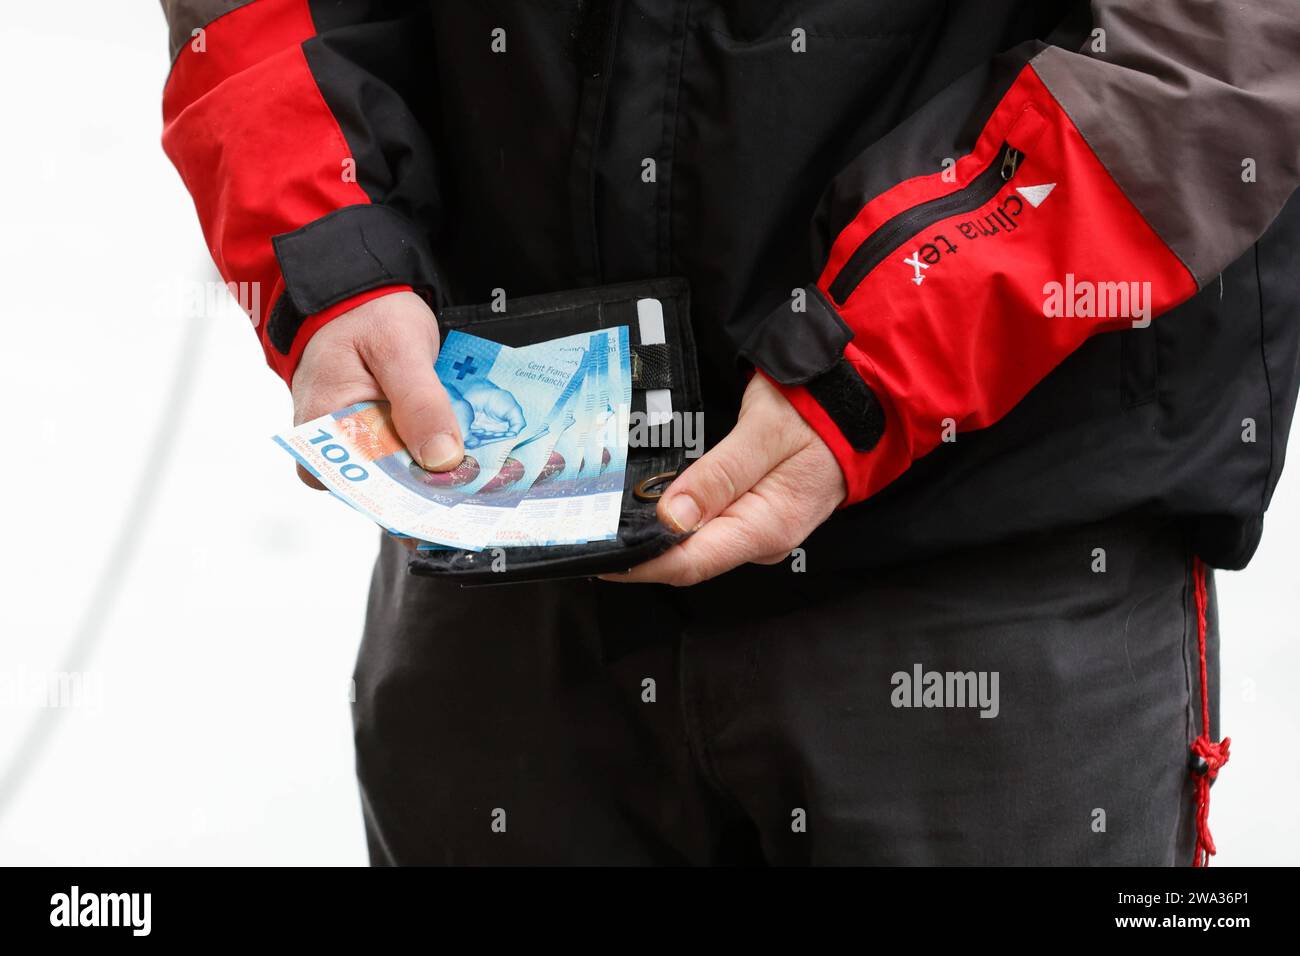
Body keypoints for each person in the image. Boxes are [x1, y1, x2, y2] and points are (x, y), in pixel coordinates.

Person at [159, 0, 1300, 864]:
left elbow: (1220, 40)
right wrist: (331, 243)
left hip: (990, 559)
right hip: (502, 533)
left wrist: (869, 361)